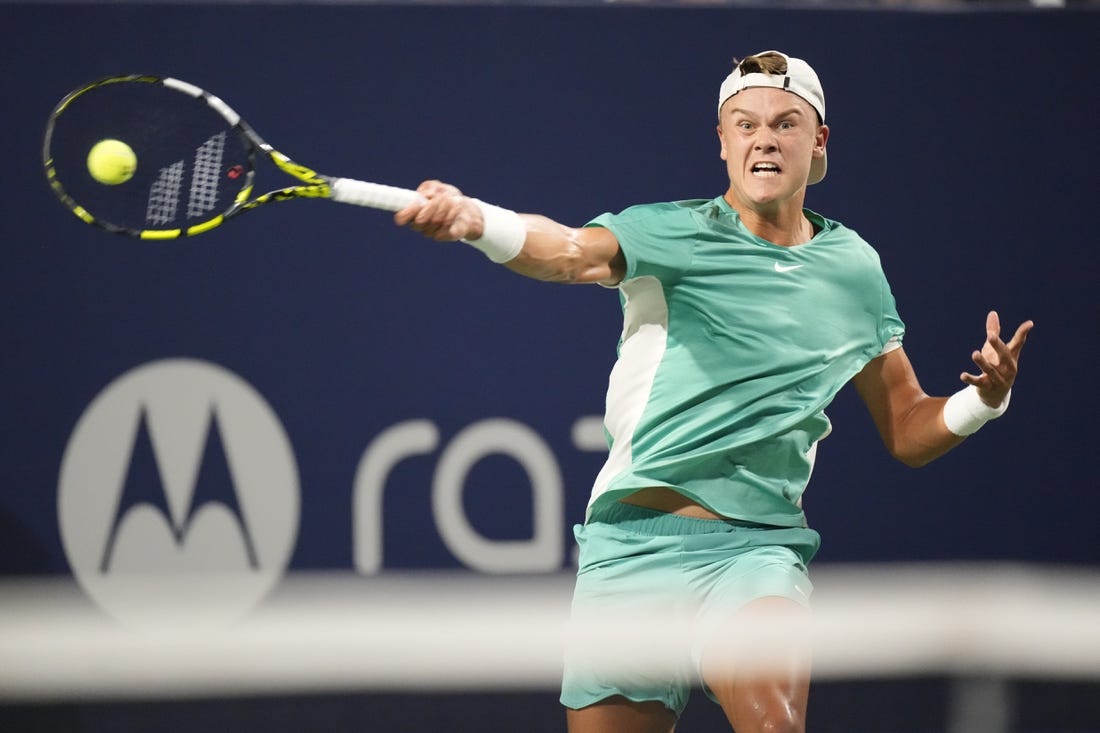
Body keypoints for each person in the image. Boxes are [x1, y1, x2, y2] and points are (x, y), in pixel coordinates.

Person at [394, 50, 1033, 733]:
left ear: (818, 143)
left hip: (754, 555)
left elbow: (907, 424)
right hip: (628, 551)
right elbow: (569, 251)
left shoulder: (854, 270)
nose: (764, 138)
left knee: (774, 725)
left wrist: (982, 401)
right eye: (745, 123)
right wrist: (476, 222)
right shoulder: (672, 233)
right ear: (722, 142)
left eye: (786, 123)